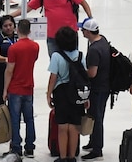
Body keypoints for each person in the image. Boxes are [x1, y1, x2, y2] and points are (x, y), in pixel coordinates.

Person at [46, 25, 89, 162]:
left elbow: (53, 77)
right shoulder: (80, 55)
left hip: (62, 93)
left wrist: (48, 94)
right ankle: (72, 157)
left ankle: (63, 157)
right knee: (75, 126)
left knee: (63, 127)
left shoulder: (56, 56)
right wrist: (87, 97)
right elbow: (85, 76)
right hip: (77, 93)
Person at [4, 18, 40, 157]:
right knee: (29, 118)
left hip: (15, 88)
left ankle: (16, 146)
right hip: (28, 87)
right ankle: (30, 147)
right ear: (30, 30)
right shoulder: (35, 46)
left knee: (15, 118)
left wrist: (5, 89)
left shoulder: (13, 48)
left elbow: (9, 70)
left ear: (17, 30)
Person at [81, 18, 111, 160]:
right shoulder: (102, 41)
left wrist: (80, 72)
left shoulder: (94, 49)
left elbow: (92, 73)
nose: (81, 31)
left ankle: (97, 148)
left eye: (83, 30)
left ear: (88, 31)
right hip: (105, 86)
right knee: (96, 115)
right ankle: (93, 142)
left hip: (97, 88)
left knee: (96, 117)